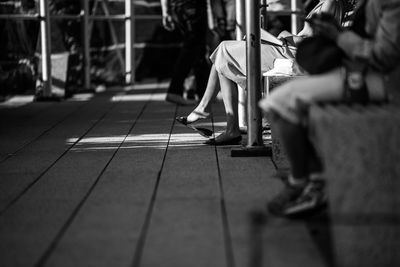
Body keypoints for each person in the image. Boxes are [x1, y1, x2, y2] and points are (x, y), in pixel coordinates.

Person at [258, 0, 400, 216]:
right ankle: (315, 179)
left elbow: (385, 56)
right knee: (287, 102)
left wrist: (338, 36)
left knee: (279, 104)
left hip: (386, 83)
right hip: (367, 74)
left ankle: (306, 182)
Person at [176, 0, 345, 145]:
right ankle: (222, 121)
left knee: (224, 50)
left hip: (294, 56)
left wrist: (284, 36)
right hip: (292, 52)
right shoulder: (327, 3)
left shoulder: (330, 3)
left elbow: (313, 42)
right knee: (224, 54)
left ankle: (214, 115)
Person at [161, 0, 210, 105]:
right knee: (192, 48)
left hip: (180, 7)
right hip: (191, 6)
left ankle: (203, 93)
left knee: (198, 48)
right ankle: (174, 90)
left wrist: (165, 11)